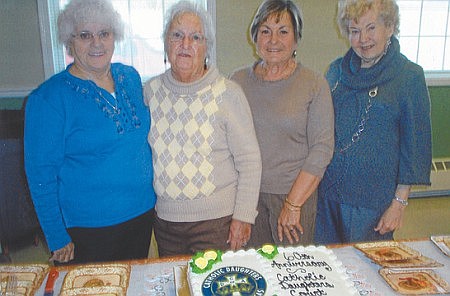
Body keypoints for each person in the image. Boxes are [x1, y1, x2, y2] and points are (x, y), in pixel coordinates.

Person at [24, 0, 156, 264]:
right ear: (69, 41)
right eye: (85, 35)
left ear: (114, 37)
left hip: (141, 215)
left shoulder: (129, 77)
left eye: (104, 33)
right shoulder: (49, 99)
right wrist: (56, 235)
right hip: (87, 229)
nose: (97, 43)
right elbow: (40, 176)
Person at [144, 1, 261, 257]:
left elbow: (250, 161)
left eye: (195, 37)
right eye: (177, 35)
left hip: (217, 223)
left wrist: (243, 216)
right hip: (166, 223)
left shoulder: (228, 93)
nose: (185, 45)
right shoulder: (150, 93)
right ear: (166, 43)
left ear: (206, 46)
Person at [315, 0, 432, 244]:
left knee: (365, 272)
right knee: (330, 268)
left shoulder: (409, 76)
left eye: (371, 28)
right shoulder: (335, 71)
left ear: (390, 27)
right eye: (354, 31)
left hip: (372, 205)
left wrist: (399, 203)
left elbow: (416, 147)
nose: (363, 39)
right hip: (327, 196)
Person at [230, 0, 334, 246]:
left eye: (283, 31)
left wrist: (293, 204)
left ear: (296, 39)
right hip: (246, 198)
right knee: (253, 271)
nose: (273, 40)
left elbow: (322, 149)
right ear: (255, 36)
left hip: (293, 198)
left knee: (291, 274)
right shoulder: (237, 81)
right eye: (265, 31)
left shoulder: (314, 84)